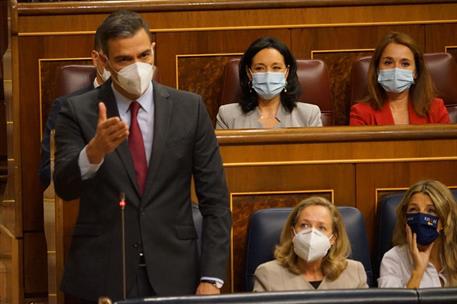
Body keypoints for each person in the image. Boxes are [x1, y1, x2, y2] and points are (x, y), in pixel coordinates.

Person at [53, 10, 231, 302]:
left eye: (144, 55)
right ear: (101, 60)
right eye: (124, 59)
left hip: (175, 272)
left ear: (153, 50)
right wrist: (93, 153)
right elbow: (64, 187)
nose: (137, 66)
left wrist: (211, 277)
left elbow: (215, 200)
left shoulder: (190, 108)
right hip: (101, 273)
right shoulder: (77, 111)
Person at [38, 28, 110, 190]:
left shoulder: (155, 104)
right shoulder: (66, 107)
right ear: (96, 58)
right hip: (89, 200)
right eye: (111, 58)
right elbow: (47, 173)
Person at [253, 197, 368, 291]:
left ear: (333, 239)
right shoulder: (268, 274)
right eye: (304, 225)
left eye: (321, 227)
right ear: (293, 233)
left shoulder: (354, 272)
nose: (312, 233)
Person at [216, 36, 322, 129]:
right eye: (259, 68)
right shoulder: (227, 116)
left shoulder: (309, 115)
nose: (268, 74)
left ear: (286, 72)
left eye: (276, 68)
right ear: (249, 73)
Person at [350, 32, 450, 125]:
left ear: (416, 72)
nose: (396, 69)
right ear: (377, 69)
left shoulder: (436, 109)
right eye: (388, 62)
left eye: (405, 64)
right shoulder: (361, 113)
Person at [378, 180, 457, 288]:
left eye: (431, 211)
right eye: (413, 209)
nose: (421, 217)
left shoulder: (454, 254)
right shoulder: (393, 259)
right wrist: (417, 272)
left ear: (444, 220)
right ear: (405, 219)